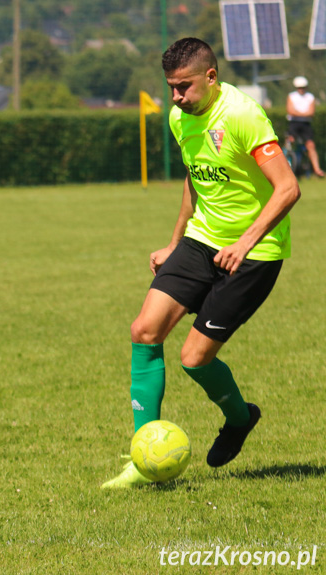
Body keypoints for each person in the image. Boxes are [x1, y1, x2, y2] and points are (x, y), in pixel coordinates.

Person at [102, 38, 300, 489]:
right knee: (144, 331)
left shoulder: (243, 115)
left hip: (255, 254)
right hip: (200, 240)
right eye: (171, 87)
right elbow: (195, 182)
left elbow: (287, 188)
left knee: (194, 359)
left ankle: (239, 417)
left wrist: (246, 243)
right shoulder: (180, 118)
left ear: (211, 78)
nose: (175, 97)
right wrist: (175, 243)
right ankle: (142, 456)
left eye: (184, 87)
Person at [286, 75, 326, 177]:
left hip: (306, 125)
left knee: (311, 145)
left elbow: (311, 112)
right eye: (299, 88)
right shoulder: (291, 96)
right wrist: (304, 113)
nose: (301, 90)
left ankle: (317, 169)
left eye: (303, 87)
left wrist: (297, 113)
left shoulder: (310, 97)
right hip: (294, 123)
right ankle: (285, 164)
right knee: (290, 141)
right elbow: (290, 111)